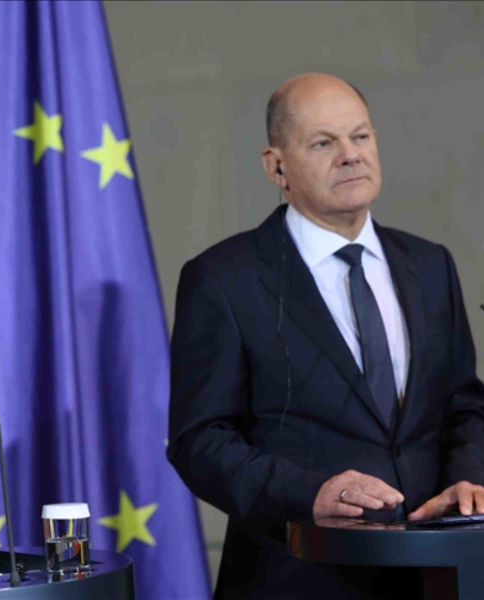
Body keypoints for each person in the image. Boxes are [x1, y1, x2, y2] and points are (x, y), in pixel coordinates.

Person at [167, 72, 484, 599]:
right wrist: (309, 493)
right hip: (298, 576)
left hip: (437, 577)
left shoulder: (430, 265)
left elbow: (463, 404)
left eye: (360, 136)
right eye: (323, 143)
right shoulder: (223, 279)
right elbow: (199, 440)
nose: (350, 155)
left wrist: (469, 478)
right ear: (277, 166)